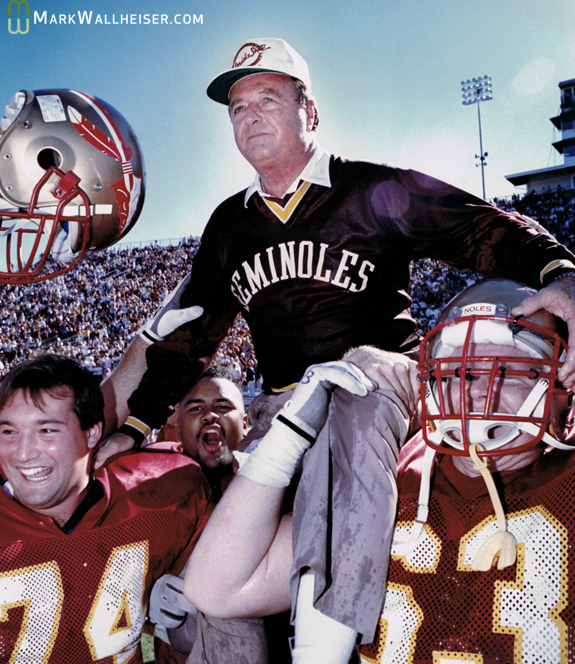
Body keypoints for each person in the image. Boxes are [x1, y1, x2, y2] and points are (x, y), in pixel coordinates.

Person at [99, 37, 575, 647]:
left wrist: (560, 273)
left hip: (384, 388)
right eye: (238, 108)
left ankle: (328, 641)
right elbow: (189, 337)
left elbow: (482, 227)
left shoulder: (370, 189)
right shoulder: (227, 225)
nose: (250, 117)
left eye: (268, 99)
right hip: (285, 408)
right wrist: (134, 426)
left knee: (355, 398)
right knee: (227, 540)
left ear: (310, 112)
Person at [185, 278, 575, 663]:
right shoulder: (387, 469)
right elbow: (216, 588)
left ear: (565, 380)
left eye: (508, 370)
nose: (477, 391)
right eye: (463, 371)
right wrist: (288, 437)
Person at [0, 354, 213, 663]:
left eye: (46, 430)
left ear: (92, 433)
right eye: (8, 432)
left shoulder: (163, 491)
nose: (23, 452)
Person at [150, 367, 270, 664]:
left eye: (222, 406)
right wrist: (147, 609)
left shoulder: (270, 487)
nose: (210, 415)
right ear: (177, 427)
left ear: (245, 425)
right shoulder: (150, 492)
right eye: (196, 407)